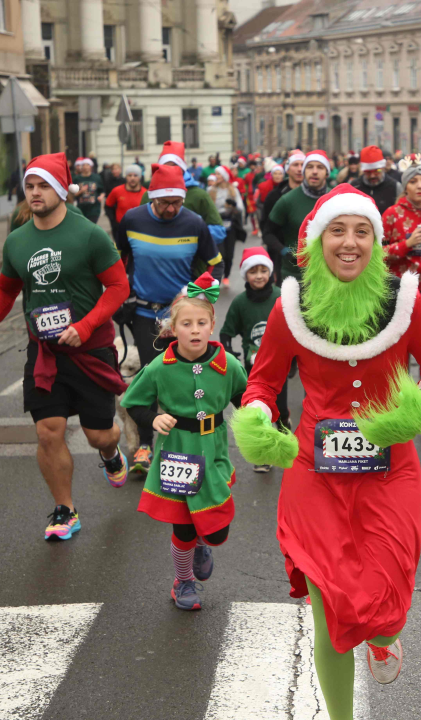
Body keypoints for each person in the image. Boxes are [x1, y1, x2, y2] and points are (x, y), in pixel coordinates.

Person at [231, 183, 421, 719]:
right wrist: (259, 415)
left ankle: (383, 636)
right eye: (337, 230)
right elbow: (263, 382)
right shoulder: (291, 309)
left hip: (390, 467)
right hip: (315, 471)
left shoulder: (404, 302)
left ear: (376, 242)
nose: (349, 242)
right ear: (317, 240)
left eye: (361, 231)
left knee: (389, 600)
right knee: (328, 608)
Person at [0, 153, 131, 540]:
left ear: (61, 190)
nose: (35, 193)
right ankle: (64, 509)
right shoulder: (18, 240)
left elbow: (118, 286)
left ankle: (110, 454)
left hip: (89, 350)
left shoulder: (89, 235)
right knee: (48, 432)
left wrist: (84, 326)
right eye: (30, 186)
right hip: (45, 352)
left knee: (99, 435)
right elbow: (6, 290)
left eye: (43, 186)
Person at [120, 272, 247, 610]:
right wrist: (153, 418)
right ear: (173, 329)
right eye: (186, 324)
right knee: (184, 528)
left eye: (201, 323)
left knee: (216, 531)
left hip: (214, 450)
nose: (194, 330)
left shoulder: (227, 364)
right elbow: (134, 402)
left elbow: (246, 397)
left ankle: (203, 544)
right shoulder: (160, 366)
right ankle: (183, 581)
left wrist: (265, 422)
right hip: (177, 453)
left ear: (212, 326)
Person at [115, 162, 224, 476]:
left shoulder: (194, 223)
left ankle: (189, 443)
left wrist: (195, 295)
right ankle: (145, 444)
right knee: (151, 376)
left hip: (183, 315)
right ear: (152, 197)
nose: (171, 209)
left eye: (177, 202)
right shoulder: (132, 219)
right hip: (144, 312)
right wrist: (120, 293)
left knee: (186, 377)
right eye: (165, 203)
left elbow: (216, 264)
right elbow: (116, 261)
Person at [219, 246, 290, 472]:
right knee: (258, 410)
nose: (259, 276)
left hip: (281, 365)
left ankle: (285, 430)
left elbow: (296, 330)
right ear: (245, 275)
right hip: (254, 368)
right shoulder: (240, 303)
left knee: (280, 408)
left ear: (270, 272)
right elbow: (226, 332)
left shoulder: (281, 297)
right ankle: (263, 454)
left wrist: (295, 362)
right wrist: (229, 353)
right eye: (253, 271)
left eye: (263, 270)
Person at [142, 142, 225, 247]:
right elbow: (138, 227)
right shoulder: (149, 195)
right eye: (165, 167)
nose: (170, 171)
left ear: (183, 169)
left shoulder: (199, 195)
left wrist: (189, 235)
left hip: (191, 256)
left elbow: (219, 231)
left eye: (175, 167)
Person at [266, 150, 331, 284]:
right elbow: (268, 233)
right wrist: (283, 250)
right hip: (294, 276)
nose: (314, 171)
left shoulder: (336, 199)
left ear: (327, 172)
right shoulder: (287, 200)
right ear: (304, 171)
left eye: (320, 167)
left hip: (328, 275)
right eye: (310, 167)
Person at [350, 145, 401, 215]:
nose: (372, 175)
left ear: (383, 168)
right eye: (368, 172)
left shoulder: (395, 187)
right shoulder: (354, 187)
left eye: (377, 171)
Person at [104, 164, 146, 239]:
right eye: (129, 175)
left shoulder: (145, 193)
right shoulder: (117, 191)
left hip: (139, 230)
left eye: (135, 175)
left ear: (139, 177)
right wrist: (113, 222)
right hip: (120, 229)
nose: (132, 178)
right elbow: (108, 206)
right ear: (126, 177)